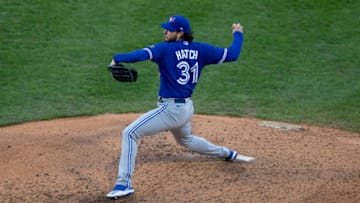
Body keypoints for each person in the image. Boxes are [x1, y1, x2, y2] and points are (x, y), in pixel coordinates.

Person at [106, 15, 253, 199]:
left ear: (180, 33)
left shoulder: (164, 49)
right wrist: (238, 34)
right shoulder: (201, 49)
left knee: (130, 133)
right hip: (186, 108)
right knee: (186, 140)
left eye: (169, 29)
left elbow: (140, 54)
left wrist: (116, 58)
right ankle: (227, 153)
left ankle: (123, 183)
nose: (165, 31)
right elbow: (233, 54)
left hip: (171, 110)